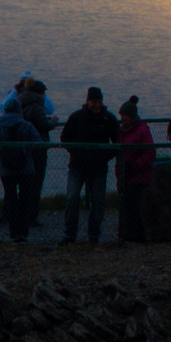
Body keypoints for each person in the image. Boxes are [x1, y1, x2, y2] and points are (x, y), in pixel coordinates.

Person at [59, 86, 118, 245]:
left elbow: (117, 142)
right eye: (94, 101)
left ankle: (94, 236)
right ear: (87, 101)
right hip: (77, 166)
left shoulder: (109, 119)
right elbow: (65, 138)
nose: (97, 105)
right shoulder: (76, 118)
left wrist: (105, 156)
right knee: (72, 199)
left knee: (98, 202)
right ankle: (69, 235)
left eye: (99, 101)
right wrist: (75, 152)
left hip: (99, 168)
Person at [0, 96, 45, 243]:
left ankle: (13, 231)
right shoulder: (26, 126)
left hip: (6, 169)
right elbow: (38, 144)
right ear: (19, 111)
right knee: (25, 199)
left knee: (10, 197)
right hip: (26, 168)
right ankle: (23, 232)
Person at [114, 96, 154, 243]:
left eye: (123, 115)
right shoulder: (123, 131)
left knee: (131, 205)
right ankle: (130, 234)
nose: (122, 118)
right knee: (128, 205)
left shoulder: (141, 130)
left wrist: (135, 166)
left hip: (138, 175)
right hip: (126, 174)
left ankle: (135, 235)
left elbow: (150, 152)